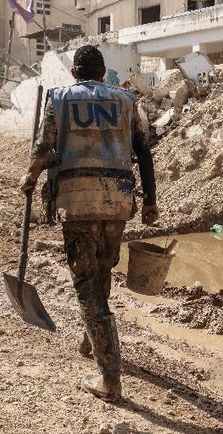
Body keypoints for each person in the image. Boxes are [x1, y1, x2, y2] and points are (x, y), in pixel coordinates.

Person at [20, 45, 158, 402]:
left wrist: (30, 177)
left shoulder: (60, 98)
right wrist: (151, 202)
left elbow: (43, 147)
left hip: (78, 201)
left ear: (75, 74)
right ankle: (90, 339)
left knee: (86, 285)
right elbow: (143, 151)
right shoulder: (126, 100)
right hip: (118, 200)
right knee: (103, 267)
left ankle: (109, 378)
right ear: (102, 74)